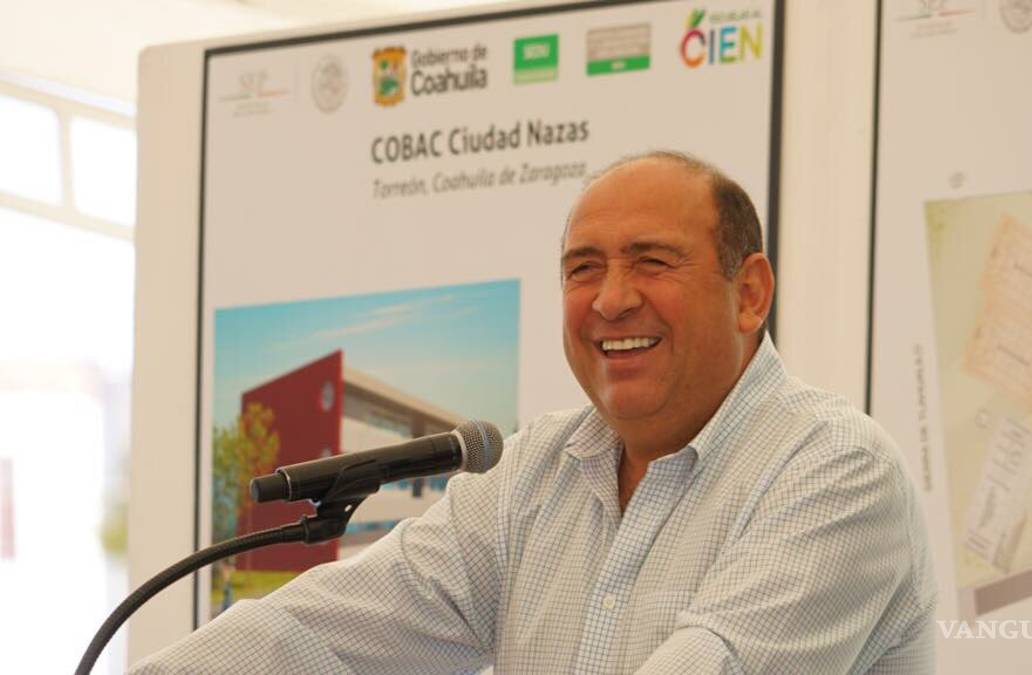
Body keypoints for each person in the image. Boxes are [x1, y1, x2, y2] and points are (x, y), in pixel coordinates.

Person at [132, 151, 935, 674]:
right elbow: (321, 635)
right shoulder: (535, 470)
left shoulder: (835, 469)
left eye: (652, 261)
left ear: (750, 293)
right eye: (583, 269)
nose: (611, 299)